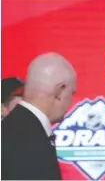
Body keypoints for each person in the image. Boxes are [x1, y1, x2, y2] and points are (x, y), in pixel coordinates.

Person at [1, 52, 77, 180]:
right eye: (71, 93)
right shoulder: (28, 141)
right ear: (60, 91)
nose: (70, 101)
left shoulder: (12, 128)